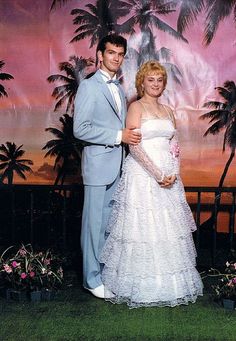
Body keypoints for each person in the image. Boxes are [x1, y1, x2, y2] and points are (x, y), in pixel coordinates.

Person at [100, 61, 203, 308]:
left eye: (159, 80)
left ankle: (169, 285)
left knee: (168, 230)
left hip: (169, 178)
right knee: (142, 229)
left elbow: (175, 146)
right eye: (151, 80)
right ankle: (141, 286)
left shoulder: (168, 111)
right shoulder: (135, 107)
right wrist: (157, 174)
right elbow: (133, 145)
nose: (155, 84)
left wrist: (173, 173)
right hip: (143, 178)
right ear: (142, 83)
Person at [73, 34, 141, 299]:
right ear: (100, 55)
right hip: (98, 166)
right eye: (111, 52)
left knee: (105, 225)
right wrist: (118, 137)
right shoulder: (89, 86)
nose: (116, 58)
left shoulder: (119, 88)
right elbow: (80, 129)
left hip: (116, 166)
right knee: (92, 224)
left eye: (120, 54)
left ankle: (102, 275)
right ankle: (91, 279)